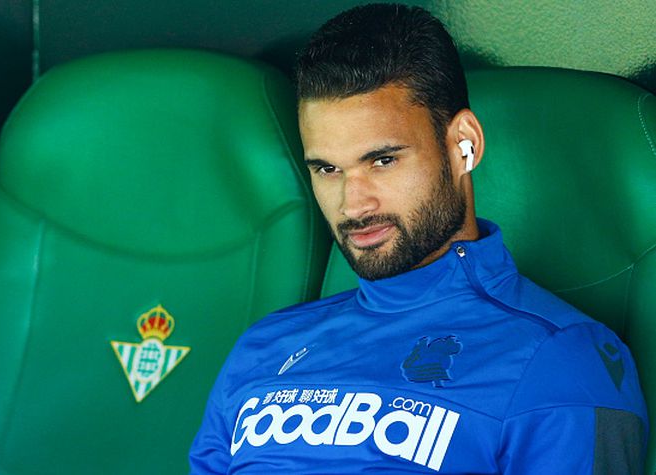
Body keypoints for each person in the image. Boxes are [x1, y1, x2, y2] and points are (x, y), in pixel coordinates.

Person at [189, 3, 648, 473]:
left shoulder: (560, 360)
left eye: (382, 160)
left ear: (464, 144)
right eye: (327, 169)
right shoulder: (265, 345)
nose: (353, 205)